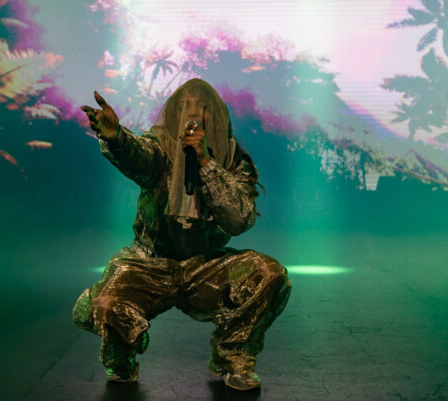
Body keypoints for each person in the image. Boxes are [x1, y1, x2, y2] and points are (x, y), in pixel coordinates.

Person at [73, 79, 291, 391]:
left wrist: (205, 162)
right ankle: (121, 355)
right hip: (149, 263)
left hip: (205, 266)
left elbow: (238, 220)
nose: (194, 120)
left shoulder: (233, 162)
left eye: (203, 113)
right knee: (107, 301)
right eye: (186, 111)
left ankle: (233, 355)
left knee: (268, 274)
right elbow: (138, 156)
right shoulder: (159, 149)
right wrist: (116, 137)